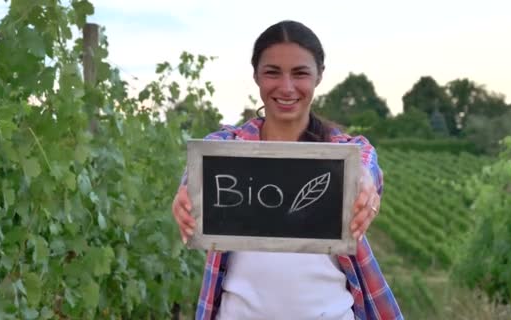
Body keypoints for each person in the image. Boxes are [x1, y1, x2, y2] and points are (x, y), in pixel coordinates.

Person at [172, 20, 402, 320]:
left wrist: (365, 179)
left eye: (300, 73)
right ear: (256, 76)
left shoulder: (344, 150)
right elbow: (198, 169)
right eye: (272, 72)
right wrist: (186, 192)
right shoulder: (229, 145)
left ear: (319, 76)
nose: (286, 87)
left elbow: (366, 165)